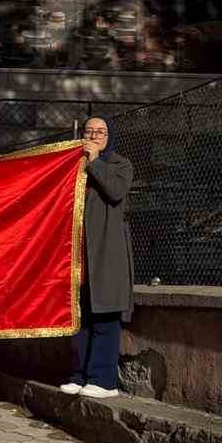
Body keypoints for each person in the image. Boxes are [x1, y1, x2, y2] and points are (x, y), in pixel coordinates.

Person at [63, 117, 134, 400]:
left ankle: (104, 380)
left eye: (100, 132)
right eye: (89, 131)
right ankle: (80, 375)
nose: (94, 136)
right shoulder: (73, 165)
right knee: (81, 318)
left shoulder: (120, 165)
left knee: (105, 315)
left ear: (109, 136)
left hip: (107, 251)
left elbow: (115, 192)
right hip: (79, 251)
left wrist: (94, 161)